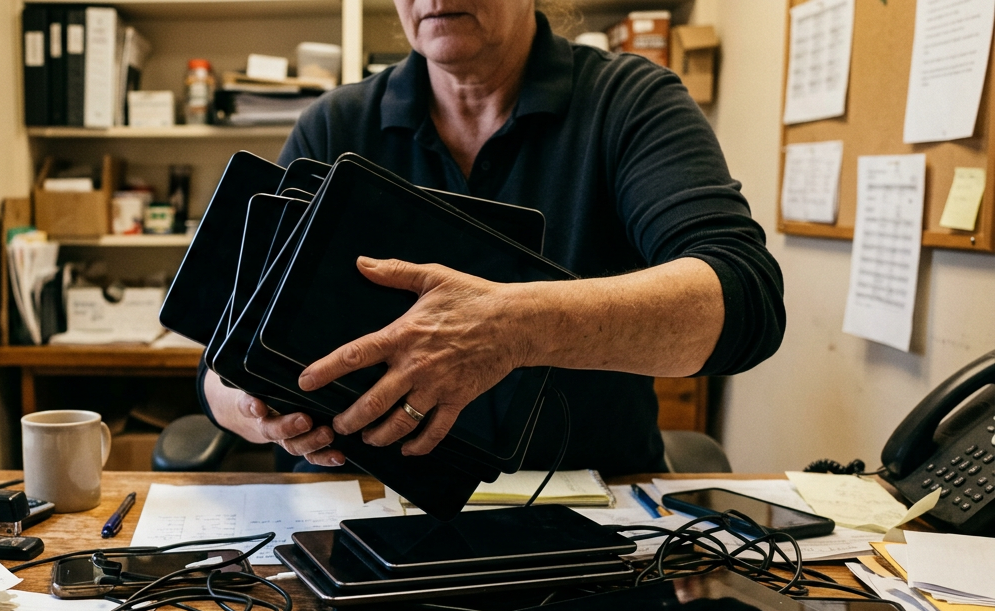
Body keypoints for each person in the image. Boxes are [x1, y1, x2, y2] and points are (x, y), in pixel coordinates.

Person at [199, 0, 784, 476]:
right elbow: (219, 357)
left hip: (584, 513)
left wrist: (513, 329)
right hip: (354, 512)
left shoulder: (629, 103)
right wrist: (250, 407)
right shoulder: (332, 126)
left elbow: (743, 298)